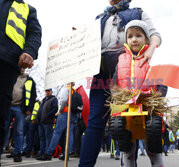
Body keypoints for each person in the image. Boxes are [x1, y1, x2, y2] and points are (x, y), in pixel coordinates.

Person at [79, 0, 161, 166]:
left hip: (129, 72)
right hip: (101, 75)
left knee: (130, 121)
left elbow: (155, 35)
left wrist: (150, 51)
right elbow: (87, 44)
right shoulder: (100, 18)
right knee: (95, 121)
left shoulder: (138, 12)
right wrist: (78, 42)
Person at [0, 0, 41, 165]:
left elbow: (34, 33)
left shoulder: (27, 10)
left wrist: (29, 51)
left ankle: (17, 152)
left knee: (9, 124)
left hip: (6, 64)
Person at [38, 83, 80, 161]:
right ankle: (66, 154)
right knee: (69, 135)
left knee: (57, 133)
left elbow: (63, 100)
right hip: (74, 115)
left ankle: (48, 153)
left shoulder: (66, 89)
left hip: (65, 113)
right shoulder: (75, 91)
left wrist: (60, 111)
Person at [5, 68, 37, 162]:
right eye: (20, 67)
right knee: (4, 129)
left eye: (24, 67)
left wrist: (29, 109)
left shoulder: (29, 80)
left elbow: (33, 95)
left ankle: (17, 153)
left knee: (19, 131)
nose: (22, 69)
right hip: (8, 106)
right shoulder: (10, 76)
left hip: (20, 108)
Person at [36, 88, 58, 160]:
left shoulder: (54, 99)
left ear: (51, 92)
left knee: (48, 138)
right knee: (42, 138)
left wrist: (48, 115)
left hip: (48, 122)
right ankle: (41, 153)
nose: (47, 92)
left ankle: (47, 154)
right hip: (41, 122)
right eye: (46, 91)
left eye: (48, 91)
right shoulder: (44, 100)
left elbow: (55, 108)